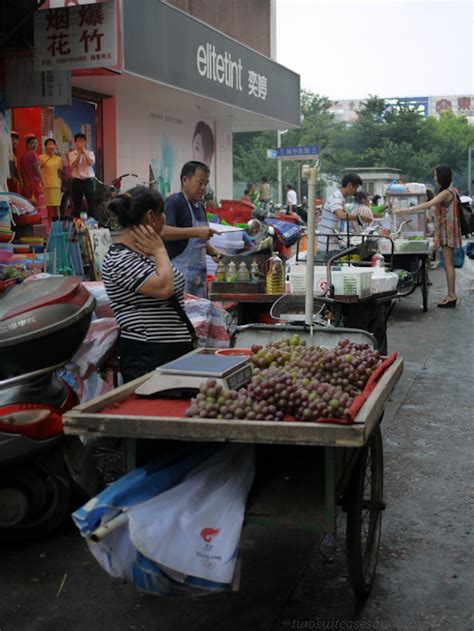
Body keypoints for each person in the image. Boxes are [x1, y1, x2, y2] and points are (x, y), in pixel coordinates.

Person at [102, 187, 195, 383]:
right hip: (148, 355)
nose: (165, 220)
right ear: (152, 216)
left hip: (170, 353)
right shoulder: (120, 259)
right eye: (163, 214)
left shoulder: (144, 256)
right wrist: (160, 250)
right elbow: (164, 288)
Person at [396, 165, 461, 308]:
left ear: (441, 176)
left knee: (448, 265)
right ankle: (450, 295)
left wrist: (408, 209)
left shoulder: (446, 192)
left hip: (447, 231)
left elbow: (429, 203)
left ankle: (452, 296)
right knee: (447, 264)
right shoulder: (451, 190)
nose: (434, 177)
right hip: (447, 230)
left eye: (436, 175)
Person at [161, 161, 222, 298]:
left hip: (199, 274)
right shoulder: (174, 202)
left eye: (205, 184)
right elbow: (163, 231)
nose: (203, 188)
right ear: (185, 180)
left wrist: (213, 251)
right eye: (200, 182)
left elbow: (197, 240)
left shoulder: (200, 207)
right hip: (178, 274)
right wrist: (196, 231)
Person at [316, 173, 363, 260]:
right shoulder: (336, 197)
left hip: (331, 244)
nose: (356, 191)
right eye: (356, 187)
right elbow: (340, 215)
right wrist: (357, 218)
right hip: (328, 248)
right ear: (349, 185)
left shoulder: (340, 198)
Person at [68, 132, 96, 217]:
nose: (81, 143)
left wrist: (84, 153)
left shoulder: (90, 153)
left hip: (88, 181)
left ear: (85, 142)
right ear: (75, 142)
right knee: (77, 202)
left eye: (82, 141)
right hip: (77, 181)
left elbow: (91, 163)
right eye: (79, 141)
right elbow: (74, 165)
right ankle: (77, 222)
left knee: (91, 202)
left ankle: (92, 221)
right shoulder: (71, 154)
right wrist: (79, 153)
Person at [39, 138, 63, 222]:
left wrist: (59, 182)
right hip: (45, 185)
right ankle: (48, 226)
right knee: (47, 208)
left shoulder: (58, 159)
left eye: (52, 144)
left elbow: (59, 171)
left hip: (55, 185)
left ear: (55, 146)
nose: (51, 146)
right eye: (49, 144)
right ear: (45, 146)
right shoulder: (41, 157)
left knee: (56, 207)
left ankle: (57, 226)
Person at [20, 134, 45, 209]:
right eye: (32, 143)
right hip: (35, 184)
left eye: (36, 143)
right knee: (38, 206)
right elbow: (38, 171)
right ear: (27, 144)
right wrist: (43, 182)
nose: (35, 145)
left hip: (27, 184)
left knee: (29, 206)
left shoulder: (23, 156)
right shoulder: (33, 154)